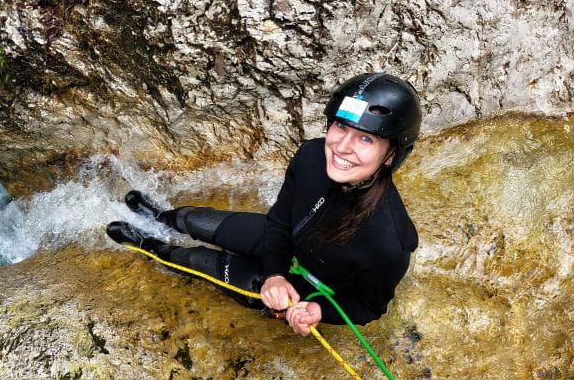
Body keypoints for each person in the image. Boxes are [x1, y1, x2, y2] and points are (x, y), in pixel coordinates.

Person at [106, 72, 421, 336]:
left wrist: (315, 309)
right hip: (279, 243)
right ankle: (161, 217)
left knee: (196, 262)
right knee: (195, 220)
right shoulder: (312, 155)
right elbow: (281, 221)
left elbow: (368, 307)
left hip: (307, 286)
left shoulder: (389, 242)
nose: (342, 147)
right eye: (341, 126)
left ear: (391, 155)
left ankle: (151, 247)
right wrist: (275, 273)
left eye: (366, 139)